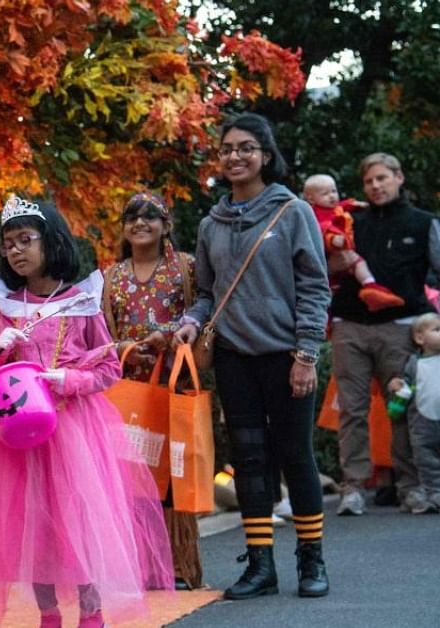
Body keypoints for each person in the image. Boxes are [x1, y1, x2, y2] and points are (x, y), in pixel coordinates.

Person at [0, 194, 173, 628]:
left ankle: (91, 610)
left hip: (73, 431)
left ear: (52, 241)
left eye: (25, 240)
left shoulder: (81, 301)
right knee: (31, 527)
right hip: (19, 436)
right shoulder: (7, 305)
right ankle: (48, 612)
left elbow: (107, 367)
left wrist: (70, 381)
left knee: (77, 522)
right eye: (8, 244)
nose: (15, 251)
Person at [172, 112, 331, 600]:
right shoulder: (210, 223)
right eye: (227, 148)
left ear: (265, 155)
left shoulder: (292, 212)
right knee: (248, 457)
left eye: (246, 147)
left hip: (286, 355)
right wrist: (192, 321)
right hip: (235, 358)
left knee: (295, 455)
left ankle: (311, 561)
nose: (235, 156)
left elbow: (315, 287)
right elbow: (206, 292)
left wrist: (306, 353)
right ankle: (261, 565)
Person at [101, 191, 203, 590]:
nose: (140, 224)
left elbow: (202, 315)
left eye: (150, 217)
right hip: (130, 390)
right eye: (132, 218)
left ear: (166, 225)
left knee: (175, 475)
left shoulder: (186, 268)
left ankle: (178, 566)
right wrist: (125, 349)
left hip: (175, 383)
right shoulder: (111, 275)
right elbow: (104, 333)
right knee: (134, 477)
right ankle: (140, 565)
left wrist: (172, 340)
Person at [327, 152, 438, 516]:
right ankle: (354, 488)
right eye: (369, 181)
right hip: (350, 325)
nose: (375, 186)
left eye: (382, 178)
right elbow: (319, 266)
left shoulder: (424, 223)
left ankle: (411, 487)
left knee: (403, 409)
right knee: (352, 410)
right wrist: (333, 263)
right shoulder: (350, 222)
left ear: (399, 178)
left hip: (402, 326)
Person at [301, 174, 403, 312]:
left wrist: (355, 204)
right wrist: (332, 239)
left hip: (343, 251)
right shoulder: (312, 213)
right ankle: (369, 287)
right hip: (330, 250)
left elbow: (343, 205)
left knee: (357, 262)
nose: (332, 196)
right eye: (325, 194)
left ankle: (370, 286)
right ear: (311, 198)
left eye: (334, 191)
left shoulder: (335, 208)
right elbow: (320, 228)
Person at [386, 313, 440, 514]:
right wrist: (397, 385)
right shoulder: (414, 363)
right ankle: (433, 492)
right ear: (419, 338)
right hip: (422, 423)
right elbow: (405, 384)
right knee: (425, 459)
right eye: (437, 330)